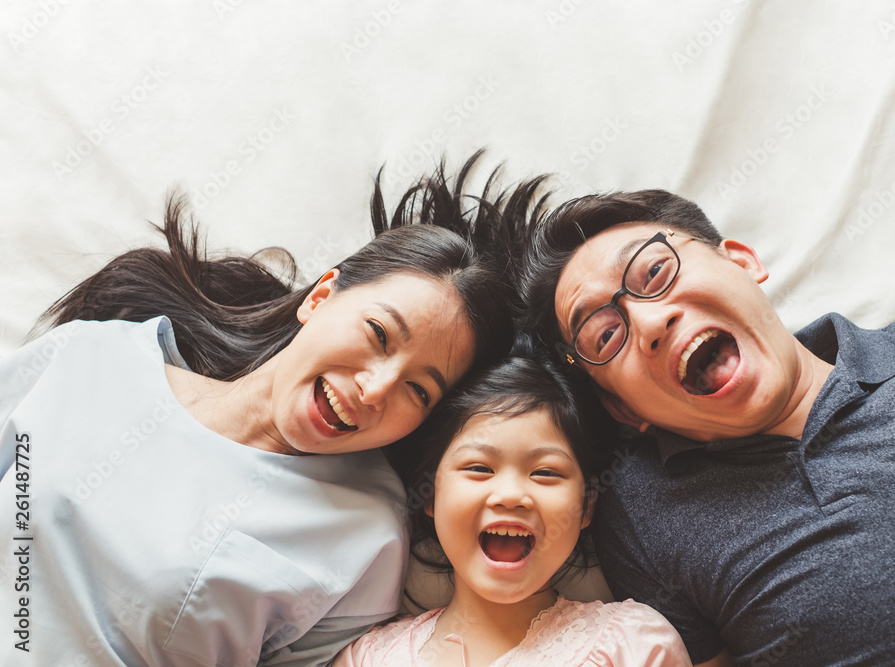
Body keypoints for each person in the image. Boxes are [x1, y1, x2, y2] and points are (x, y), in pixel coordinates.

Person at [0, 156, 536, 666]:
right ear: (321, 296)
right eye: (378, 335)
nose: (375, 390)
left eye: (419, 391)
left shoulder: (364, 539)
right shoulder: (92, 357)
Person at [519, 190, 895, 665]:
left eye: (656, 272)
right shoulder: (640, 515)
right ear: (622, 409)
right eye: (604, 334)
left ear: (742, 261)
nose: (651, 322)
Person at [333, 353, 693, 667]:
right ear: (429, 494)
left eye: (546, 472)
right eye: (479, 468)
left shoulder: (634, 646)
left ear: (586, 506)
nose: (510, 495)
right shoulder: (366, 658)